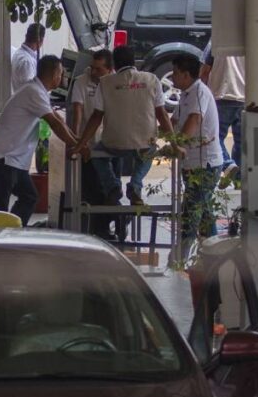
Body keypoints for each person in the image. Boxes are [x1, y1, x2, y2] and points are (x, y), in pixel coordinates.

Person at [0, 55, 80, 226]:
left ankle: (12, 231)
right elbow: (55, 123)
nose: (62, 78)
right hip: (3, 159)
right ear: (54, 75)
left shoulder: (37, 90)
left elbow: (58, 119)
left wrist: (77, 140)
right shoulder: (33, 92)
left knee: (29, 197)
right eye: (61, 74)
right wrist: (77, 146)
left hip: (12, 160)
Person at [75, 46, 173, 207]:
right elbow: (162, 114)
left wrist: (80, 144)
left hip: (114, 144)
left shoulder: (105, 83)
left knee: (96, 154)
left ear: (114, 64)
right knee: (150, 151)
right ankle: (135, 184)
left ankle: (112, 186)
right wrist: (174, 143)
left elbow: (96, 117)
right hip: (144, 144)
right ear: (134, 62)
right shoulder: (152, 80)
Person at [171, 54, 222, 255]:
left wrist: (179, 143)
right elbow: (174, 121)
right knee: (204, 213)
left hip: (205, 165)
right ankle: (214, 253)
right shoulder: (186, 94)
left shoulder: (199, 92)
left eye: (175, 73)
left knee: (191, 213)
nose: (172, 77)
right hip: (191, 163)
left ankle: (180, 258)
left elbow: (194, 119)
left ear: (186, 75)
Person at [70, 49, 114, 237]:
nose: (94, 72)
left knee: (110, 190)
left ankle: (106, 227)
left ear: (110, 69)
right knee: (91, 190)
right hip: (89, 145)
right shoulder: (81, 81)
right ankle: (92, 230)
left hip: (111, 145)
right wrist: (78, 140)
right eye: (92, 68)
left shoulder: (115, 83)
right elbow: (78, 110)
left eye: (99, 69)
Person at [200, 40, 246, 186]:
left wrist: (202, 94)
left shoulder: (217, 40)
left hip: (221, 96)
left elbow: (205, 70)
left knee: (214, 136)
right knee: (241, 142)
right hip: (245, 97)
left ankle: (228, 165)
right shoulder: (251, 39)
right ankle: (238, 180)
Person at [10, 23, 45, 91]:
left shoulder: (18, 53)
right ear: (41, 40)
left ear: (26, 36)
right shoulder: (27, 62)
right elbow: (31, 91)